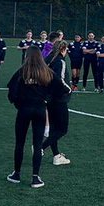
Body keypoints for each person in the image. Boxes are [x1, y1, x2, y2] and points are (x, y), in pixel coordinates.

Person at [6, 46, 65, 188]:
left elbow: (11, 92)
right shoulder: (47, 72)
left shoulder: (22, 72)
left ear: (27, 56)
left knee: (19, 143)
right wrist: (47, 99)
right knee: (37, 145)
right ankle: (35, 177)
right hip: (39, 110)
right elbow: (61, 89)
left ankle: (17, 174)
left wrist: (19, 103)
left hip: (24, 111)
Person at [41, 40, 74, 165]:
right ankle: (40, 148)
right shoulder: (60, 61)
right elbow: (60, 80)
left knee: (54, 129)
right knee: (62, 129)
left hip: (49, 98)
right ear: (63, 49)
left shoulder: (49, 60)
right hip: (59, 99)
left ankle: (56, 156)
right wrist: (69, 89)